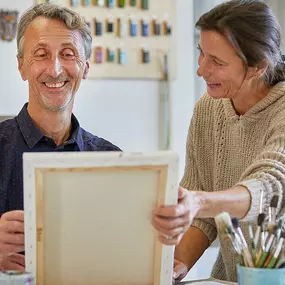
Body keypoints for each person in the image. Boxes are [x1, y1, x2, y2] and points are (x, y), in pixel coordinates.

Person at [153, 0, 285, 283]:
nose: (201, 70)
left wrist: (198, 202)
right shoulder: (208, 109)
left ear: (258, 67)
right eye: (202, 53)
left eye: (217, 62)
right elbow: (201, 208)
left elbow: (271, 187)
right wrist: (177, 265)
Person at [0, 3, 121, 271]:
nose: (55, 70)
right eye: (41, 54)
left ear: (85, 68)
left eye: (68, 54)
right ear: (21, 66)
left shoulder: (112, 160)